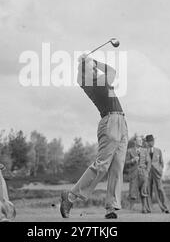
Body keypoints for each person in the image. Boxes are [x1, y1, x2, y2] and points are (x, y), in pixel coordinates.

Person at [60, 54, 128, 219]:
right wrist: (86, 62)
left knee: (117, 167)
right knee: (102, 165)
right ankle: (70, 197)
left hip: (121, 122)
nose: (95, 70)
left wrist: (93, 61)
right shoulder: (92, 83)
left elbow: (111, 70)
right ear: (86, 73)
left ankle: (111, 207)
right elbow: (111, 71)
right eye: (92, 68)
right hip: (109, 122)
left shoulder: (98, 80)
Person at [125, 135, 151, 213]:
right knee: (132, 191)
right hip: (134, 173)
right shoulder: (129, 151)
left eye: (141, 141)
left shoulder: (145, 150)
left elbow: (149, 162)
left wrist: (147, 171)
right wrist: (132, 160)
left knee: (144, 191)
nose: (141, 142)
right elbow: (125, 162)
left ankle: (144, 208)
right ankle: (130, 209)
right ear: (135, 142)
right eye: (139, 141)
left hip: (143, 173)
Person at [145, 134, 170, 214]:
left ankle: (165, 208)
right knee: (148, 190)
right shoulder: (144, 151)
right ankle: (149, 209)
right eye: (150, 141)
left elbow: (161, 162)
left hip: (157, 173)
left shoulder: (158, 150)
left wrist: (160, 170)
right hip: (148, 173)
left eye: (153, 141)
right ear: (147, 142)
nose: (152, 142)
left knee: (160, 189)